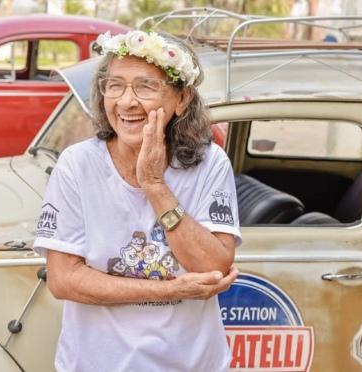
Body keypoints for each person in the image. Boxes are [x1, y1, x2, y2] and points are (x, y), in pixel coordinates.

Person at [33, 29, 242, 372]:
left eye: (145, 87)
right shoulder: (77, 165)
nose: (126, 102)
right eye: (114, 86)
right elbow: (63, 280)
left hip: (189, 364)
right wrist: (171, 290)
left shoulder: (209, 163)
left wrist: (155, 185)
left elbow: (213, 267)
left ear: (182, 100)